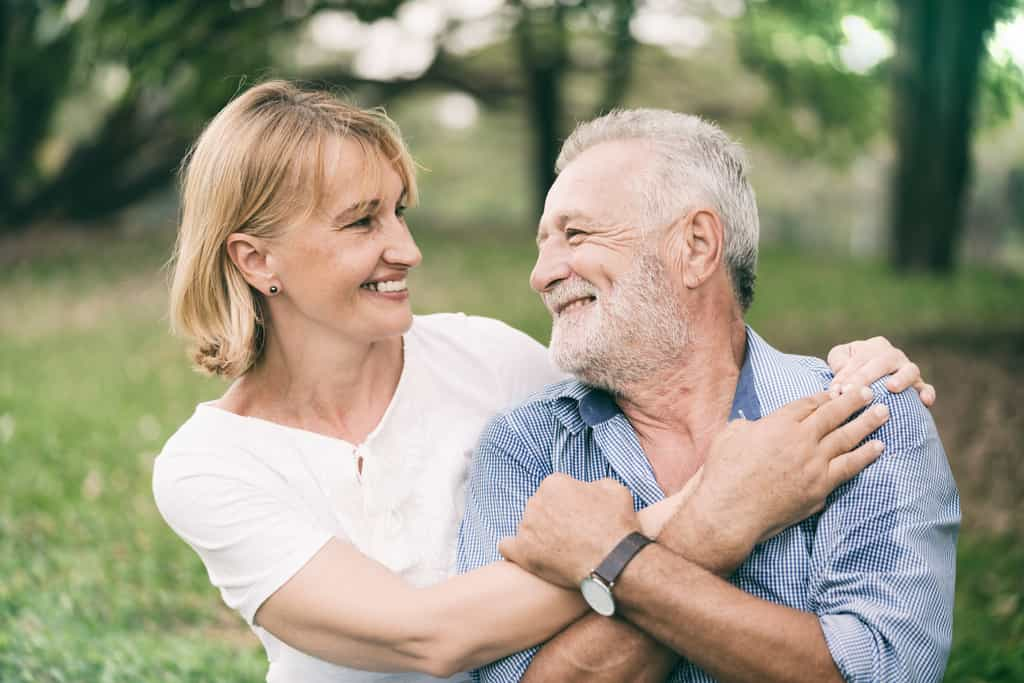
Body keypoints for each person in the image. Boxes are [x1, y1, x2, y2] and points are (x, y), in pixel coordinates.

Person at [152, 81, 937, 683]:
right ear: (256, 260)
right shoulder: (211, 466)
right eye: (363, 222)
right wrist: (712, 516)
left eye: (400, 212)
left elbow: (662, 357)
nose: (406, 249)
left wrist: (871, 368)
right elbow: (430, 635)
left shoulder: (496, 368)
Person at [457, 109, 959, 683]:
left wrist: (617, 561)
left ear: (696, 246)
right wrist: (711, 531)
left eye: (575, 234)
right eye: (543, 244)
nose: (541, 274)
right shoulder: (525, 446)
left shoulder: (866, 416)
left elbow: (885, 672)